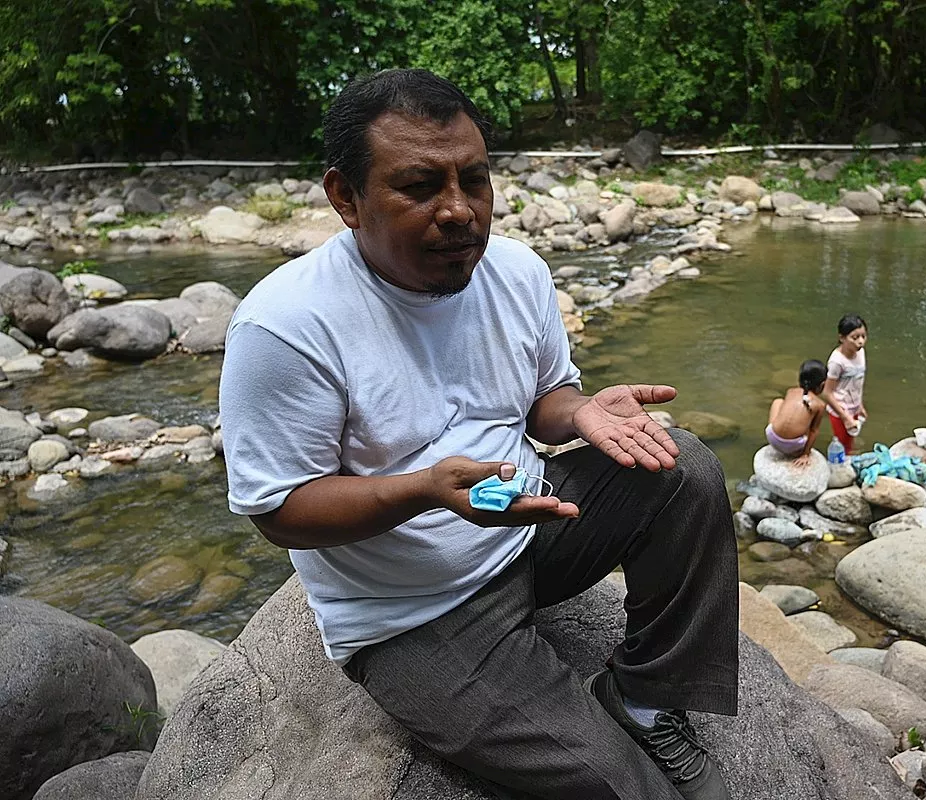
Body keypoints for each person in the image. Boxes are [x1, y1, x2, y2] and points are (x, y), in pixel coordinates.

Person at [218, 69, 736, 800]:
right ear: (345, 198)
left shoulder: (517, 271)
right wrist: (426, 491)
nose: (459, 212)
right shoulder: (285, 327)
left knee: (682, 466)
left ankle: (646, 698)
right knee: (620, 788)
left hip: (529, 528)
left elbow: (541, 401)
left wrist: (579, 412)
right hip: (409, 613)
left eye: (475, 180)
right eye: (420, 186)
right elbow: (280, 512)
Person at [765, 360, 828, 464]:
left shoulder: (790, 391)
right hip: (794, 448)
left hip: (772, 438)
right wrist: (805, 454)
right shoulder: (820, 405)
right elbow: (814, 431)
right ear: (822, 385)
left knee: (778, 401)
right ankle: (800, 449)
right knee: (809, 422)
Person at [823, 313, 868, 456]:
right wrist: (844, 416)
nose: (860, 342)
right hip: (840, 410)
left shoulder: (861, 353)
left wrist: (859, 406)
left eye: (863, 336)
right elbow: (827, 392)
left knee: (849, 442)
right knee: (843, 446)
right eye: (855, 338)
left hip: (853, 407)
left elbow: (856, 382)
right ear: (842, 338)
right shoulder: (837, 362)